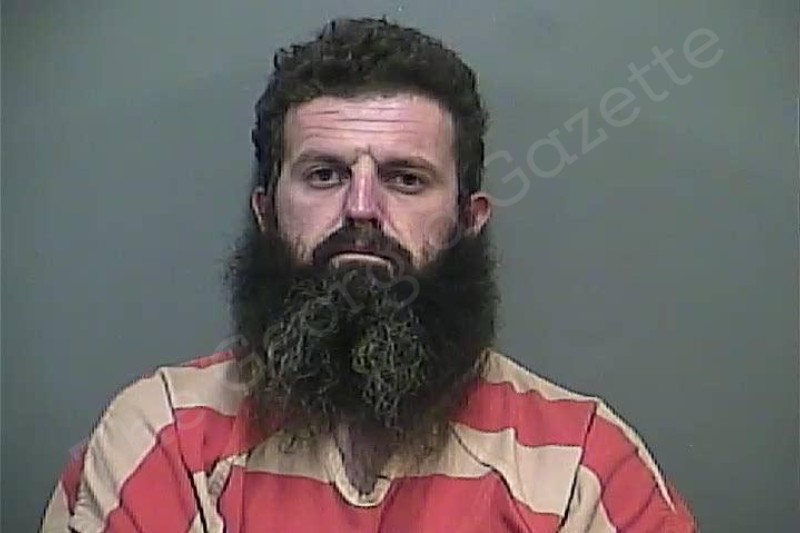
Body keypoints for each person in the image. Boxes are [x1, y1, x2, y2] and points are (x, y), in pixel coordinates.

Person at [41, 17, 696, 532]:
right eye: (324, 174)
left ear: (470, 219)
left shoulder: (582, 467)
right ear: (266, 211)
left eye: (404, 178)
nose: (360, 208)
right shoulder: (161, 441)